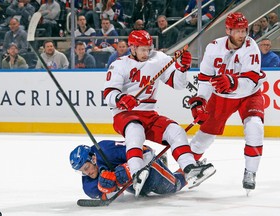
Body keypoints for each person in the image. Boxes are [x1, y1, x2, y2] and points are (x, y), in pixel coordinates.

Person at [103, 30, 216, 196]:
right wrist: (121, 98)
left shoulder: (159, 59)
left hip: (150, 114)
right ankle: (136, 172)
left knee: (175, 131)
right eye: (142, 49)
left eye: (148, 48)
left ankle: (190, 169)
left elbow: (178, 84)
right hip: (125, 115)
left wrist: (182, 68)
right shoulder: (119, 65)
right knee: (135, 130)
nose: (146, 53)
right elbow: (108, 94)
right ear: (132, 48)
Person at [187, 12, 266, 194]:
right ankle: (187, 167)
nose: (242, 34)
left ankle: (250, 172)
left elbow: (251, 81)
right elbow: (206, 79)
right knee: (203, 136)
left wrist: (232, 82)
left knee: (255, 127)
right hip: (221, 97)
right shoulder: (213, 47)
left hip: (249, 95)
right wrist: (200, 101)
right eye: (237, 30)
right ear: (228, 30)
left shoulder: (251, 46)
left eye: (244, 30)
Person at [69, 140, 187, 200]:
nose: (87, 173)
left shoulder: (106, 150)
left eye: (86, 167)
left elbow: (146, 152)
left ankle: (189, 172)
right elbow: (119, 198)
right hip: (135, 186)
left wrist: (129, 169)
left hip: (150, 170)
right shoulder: (88, 186)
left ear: (93, 158)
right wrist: (112, 190)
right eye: (82, 171)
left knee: (174, 186)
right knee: (123, 179)